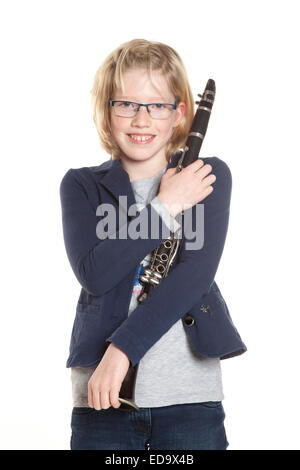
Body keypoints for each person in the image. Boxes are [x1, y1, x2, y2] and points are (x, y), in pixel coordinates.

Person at [59, 38, 247, 451]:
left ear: (180, 112)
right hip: (100, 399)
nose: (142, 119)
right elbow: (96, 273)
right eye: (126, 103)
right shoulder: (82, 185)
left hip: (189, 399)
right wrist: (166, 205)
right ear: (106, 111)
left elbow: (193, 278)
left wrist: (121, 350)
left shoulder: (207, 176)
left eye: (157, 105)